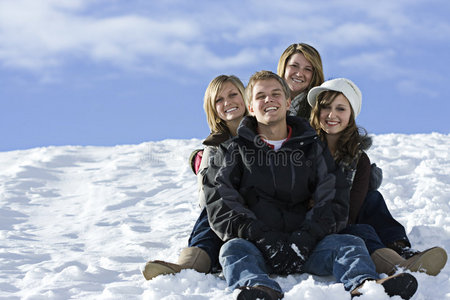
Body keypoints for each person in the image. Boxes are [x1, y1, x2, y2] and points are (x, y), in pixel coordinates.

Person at [204, 71, 418, 300]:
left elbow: (333, 197)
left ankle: (366, 286)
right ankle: (259, 289)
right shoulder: (233, 151)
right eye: (261, 96)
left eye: (276, 93)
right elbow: (221, 201)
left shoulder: (312, 148)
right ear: (251, 107)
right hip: (259, 247)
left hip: (308, 247)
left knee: (349, 242)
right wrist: (261, 237)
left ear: (287, 102)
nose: (269, 100)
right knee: (232, 250)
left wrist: (306, 238)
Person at [307, 78, 448, 276]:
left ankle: (399, 247)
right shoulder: (304, 150)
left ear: (351, 115)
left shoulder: (359, 159)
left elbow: (352, 210)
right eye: (326, 107)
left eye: (341, 109)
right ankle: (398, 266)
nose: (332, 115)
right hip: (312, 227)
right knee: (361, 231)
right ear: (316, 111)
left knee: (373, 198)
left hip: (341, 218)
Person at [142, 75, 248, 280]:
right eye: (219, 100)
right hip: (228, 217)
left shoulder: (264, 131)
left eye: (233, 94)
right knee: (212, 209)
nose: (227, 102)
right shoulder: (213, 147)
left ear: (245, 97)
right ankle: (191, 264)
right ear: (212, 108)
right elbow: (205, 196)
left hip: (261, 209)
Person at [277, 43, 324, 118]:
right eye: (294, 66)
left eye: (307, 69)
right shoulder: (267, 100)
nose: (299, 74)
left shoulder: (319, 109)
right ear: (284, 67)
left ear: (314, 75)